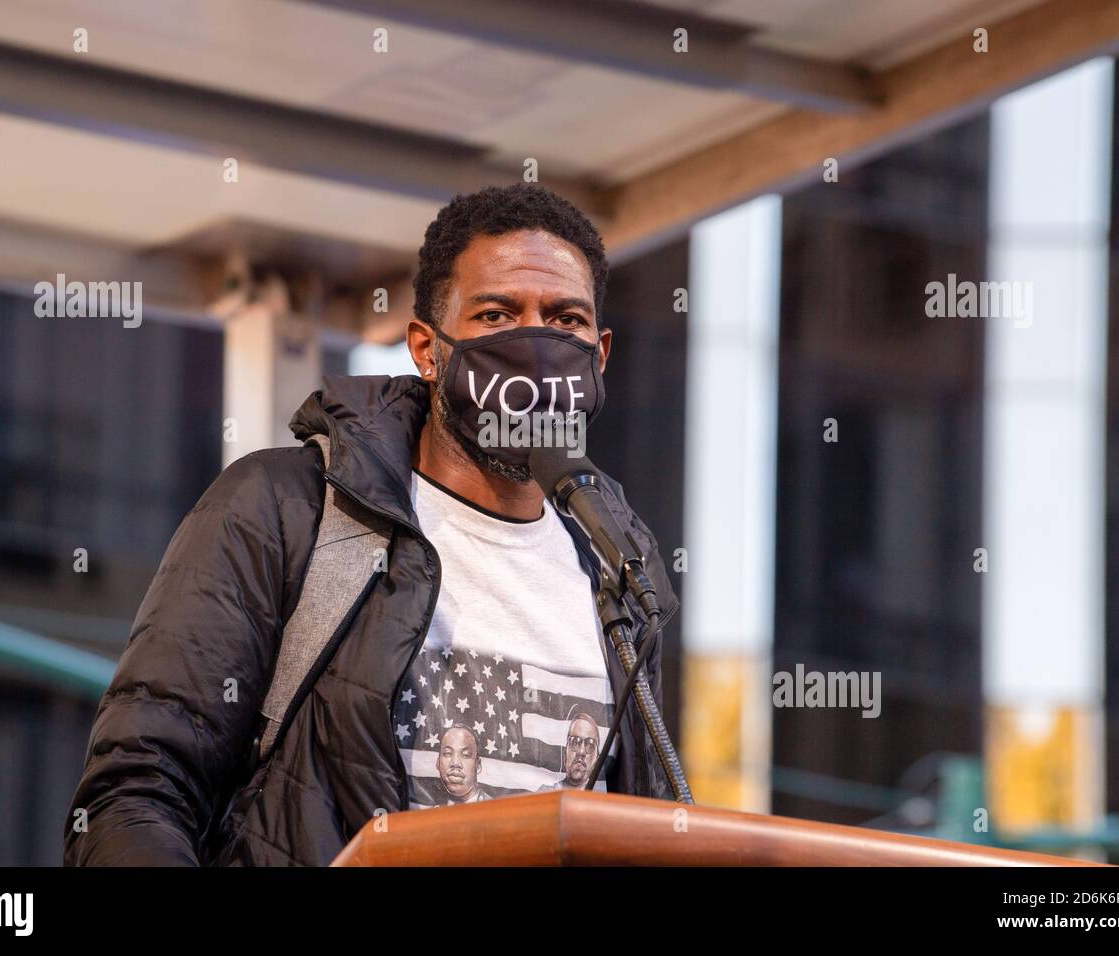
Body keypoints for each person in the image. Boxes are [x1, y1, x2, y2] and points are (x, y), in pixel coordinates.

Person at [63, 182, 679, 866]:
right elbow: (134, 796)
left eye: (565, 320)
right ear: (426, 347)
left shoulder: (619, 571)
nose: (534, 347)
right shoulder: (285, 508)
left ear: (600, 356)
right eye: (497, 315)